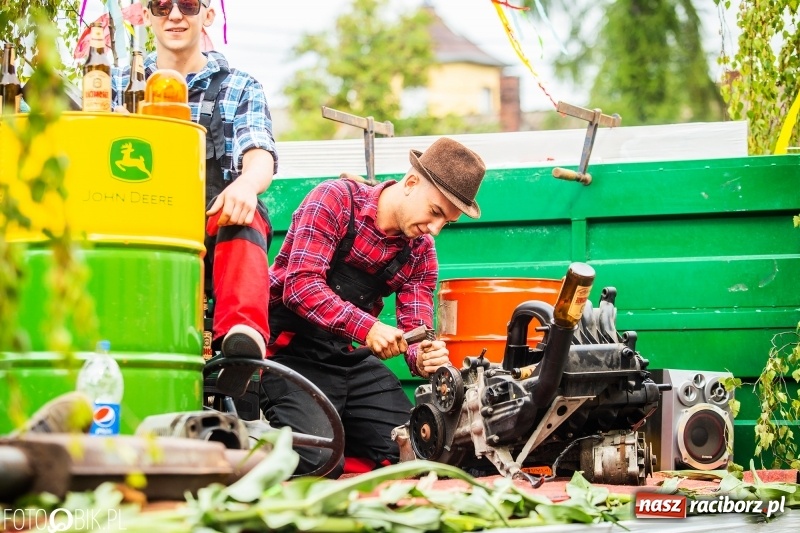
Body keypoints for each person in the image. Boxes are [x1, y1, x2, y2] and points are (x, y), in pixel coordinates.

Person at [262, 137, 486, 477]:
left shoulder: (419, 252)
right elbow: (300, 286)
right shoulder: (334, 200)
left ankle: (340, 438)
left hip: (348, 359)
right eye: (435, 212)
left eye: (447, 222)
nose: (436, 230)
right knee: (317, 464)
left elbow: (416, 328)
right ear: (411, 183)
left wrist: (423, 356)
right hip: (289, 354)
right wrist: (368, 328)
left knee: (421, 449)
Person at [112, 0, 277, 395]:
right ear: (146, 15)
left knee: (244, 215)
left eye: (187, 5)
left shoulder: (240, 86)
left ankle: (242, 340)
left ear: (207, 15)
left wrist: (246, 184)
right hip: (136, 222)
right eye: (161, 5)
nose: (174, 15)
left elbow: (259, 153)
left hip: (207, 224)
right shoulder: (119, 84)